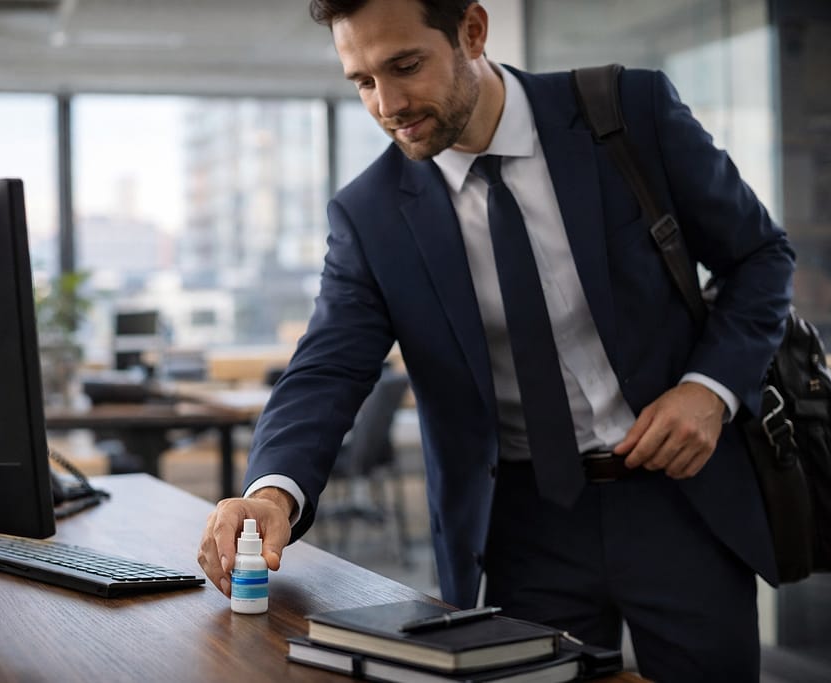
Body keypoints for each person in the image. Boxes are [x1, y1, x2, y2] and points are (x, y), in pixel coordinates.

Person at [197, 1, 795, 680]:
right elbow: (327, 368)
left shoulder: (628, 111)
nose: (387, 104)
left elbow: (761, 257)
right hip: (521, 525)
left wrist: (709, 390)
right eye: (362, 81)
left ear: (472, 31)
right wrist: (271, 493)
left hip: (681, 496)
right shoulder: (370, 215)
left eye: (405, 65)